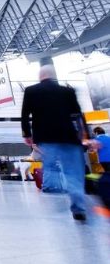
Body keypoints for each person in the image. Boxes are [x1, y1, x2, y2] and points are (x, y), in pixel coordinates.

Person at [21, 64, 89, 221]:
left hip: (46, 138)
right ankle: (78, 207)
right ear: (54, 76)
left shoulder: (31, 91)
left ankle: (51, 190)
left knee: (51, 166)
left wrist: (27, 134)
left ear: (40, 76)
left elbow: (25, 114)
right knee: (73, 172)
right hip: (69, 137)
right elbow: (78, 115)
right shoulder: (68, 91)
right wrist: (85, 136)